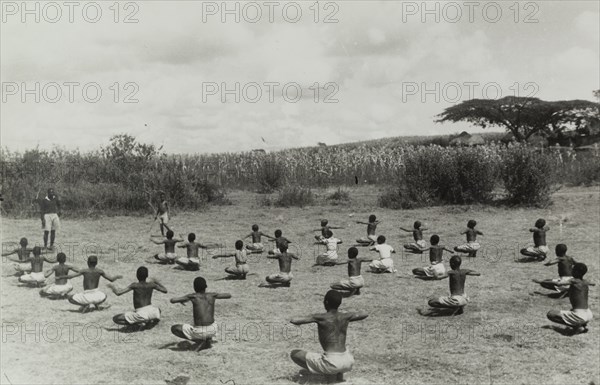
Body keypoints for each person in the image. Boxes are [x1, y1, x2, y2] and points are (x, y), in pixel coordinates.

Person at [290, 290, 368, 382]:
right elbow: (365, 313)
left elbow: (294, 320)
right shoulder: (345, 316)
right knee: (336, 363)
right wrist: (347, 315)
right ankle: (338, 378)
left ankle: (330, 376)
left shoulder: (321, 318)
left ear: (326, 302)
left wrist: (314, 317)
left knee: (294, 354)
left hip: (332, 362)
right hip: (348, 360)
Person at [170, 277, 232, 352]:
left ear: (194, 287)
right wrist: (214, 295)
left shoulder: (193, 296)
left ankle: (200, 341)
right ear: (206, 287)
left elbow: (172, 300)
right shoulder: (212, 295)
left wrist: (185, 298)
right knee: (197, 323)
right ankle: (207, 339)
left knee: (174, 328)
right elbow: (228, 295)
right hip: (213, 330)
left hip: (200, 332)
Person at [546, 263, 594, 334]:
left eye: (573, 269)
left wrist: (543, 281)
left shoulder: (573, 281)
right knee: (571, 310)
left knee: (550, 314)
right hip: (589, 314)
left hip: (579, 315)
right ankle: (582, 324)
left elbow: (559, 283)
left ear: (576, 272)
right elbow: (593, 283)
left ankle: (577, 327)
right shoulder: (585, 282)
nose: (571, 270)